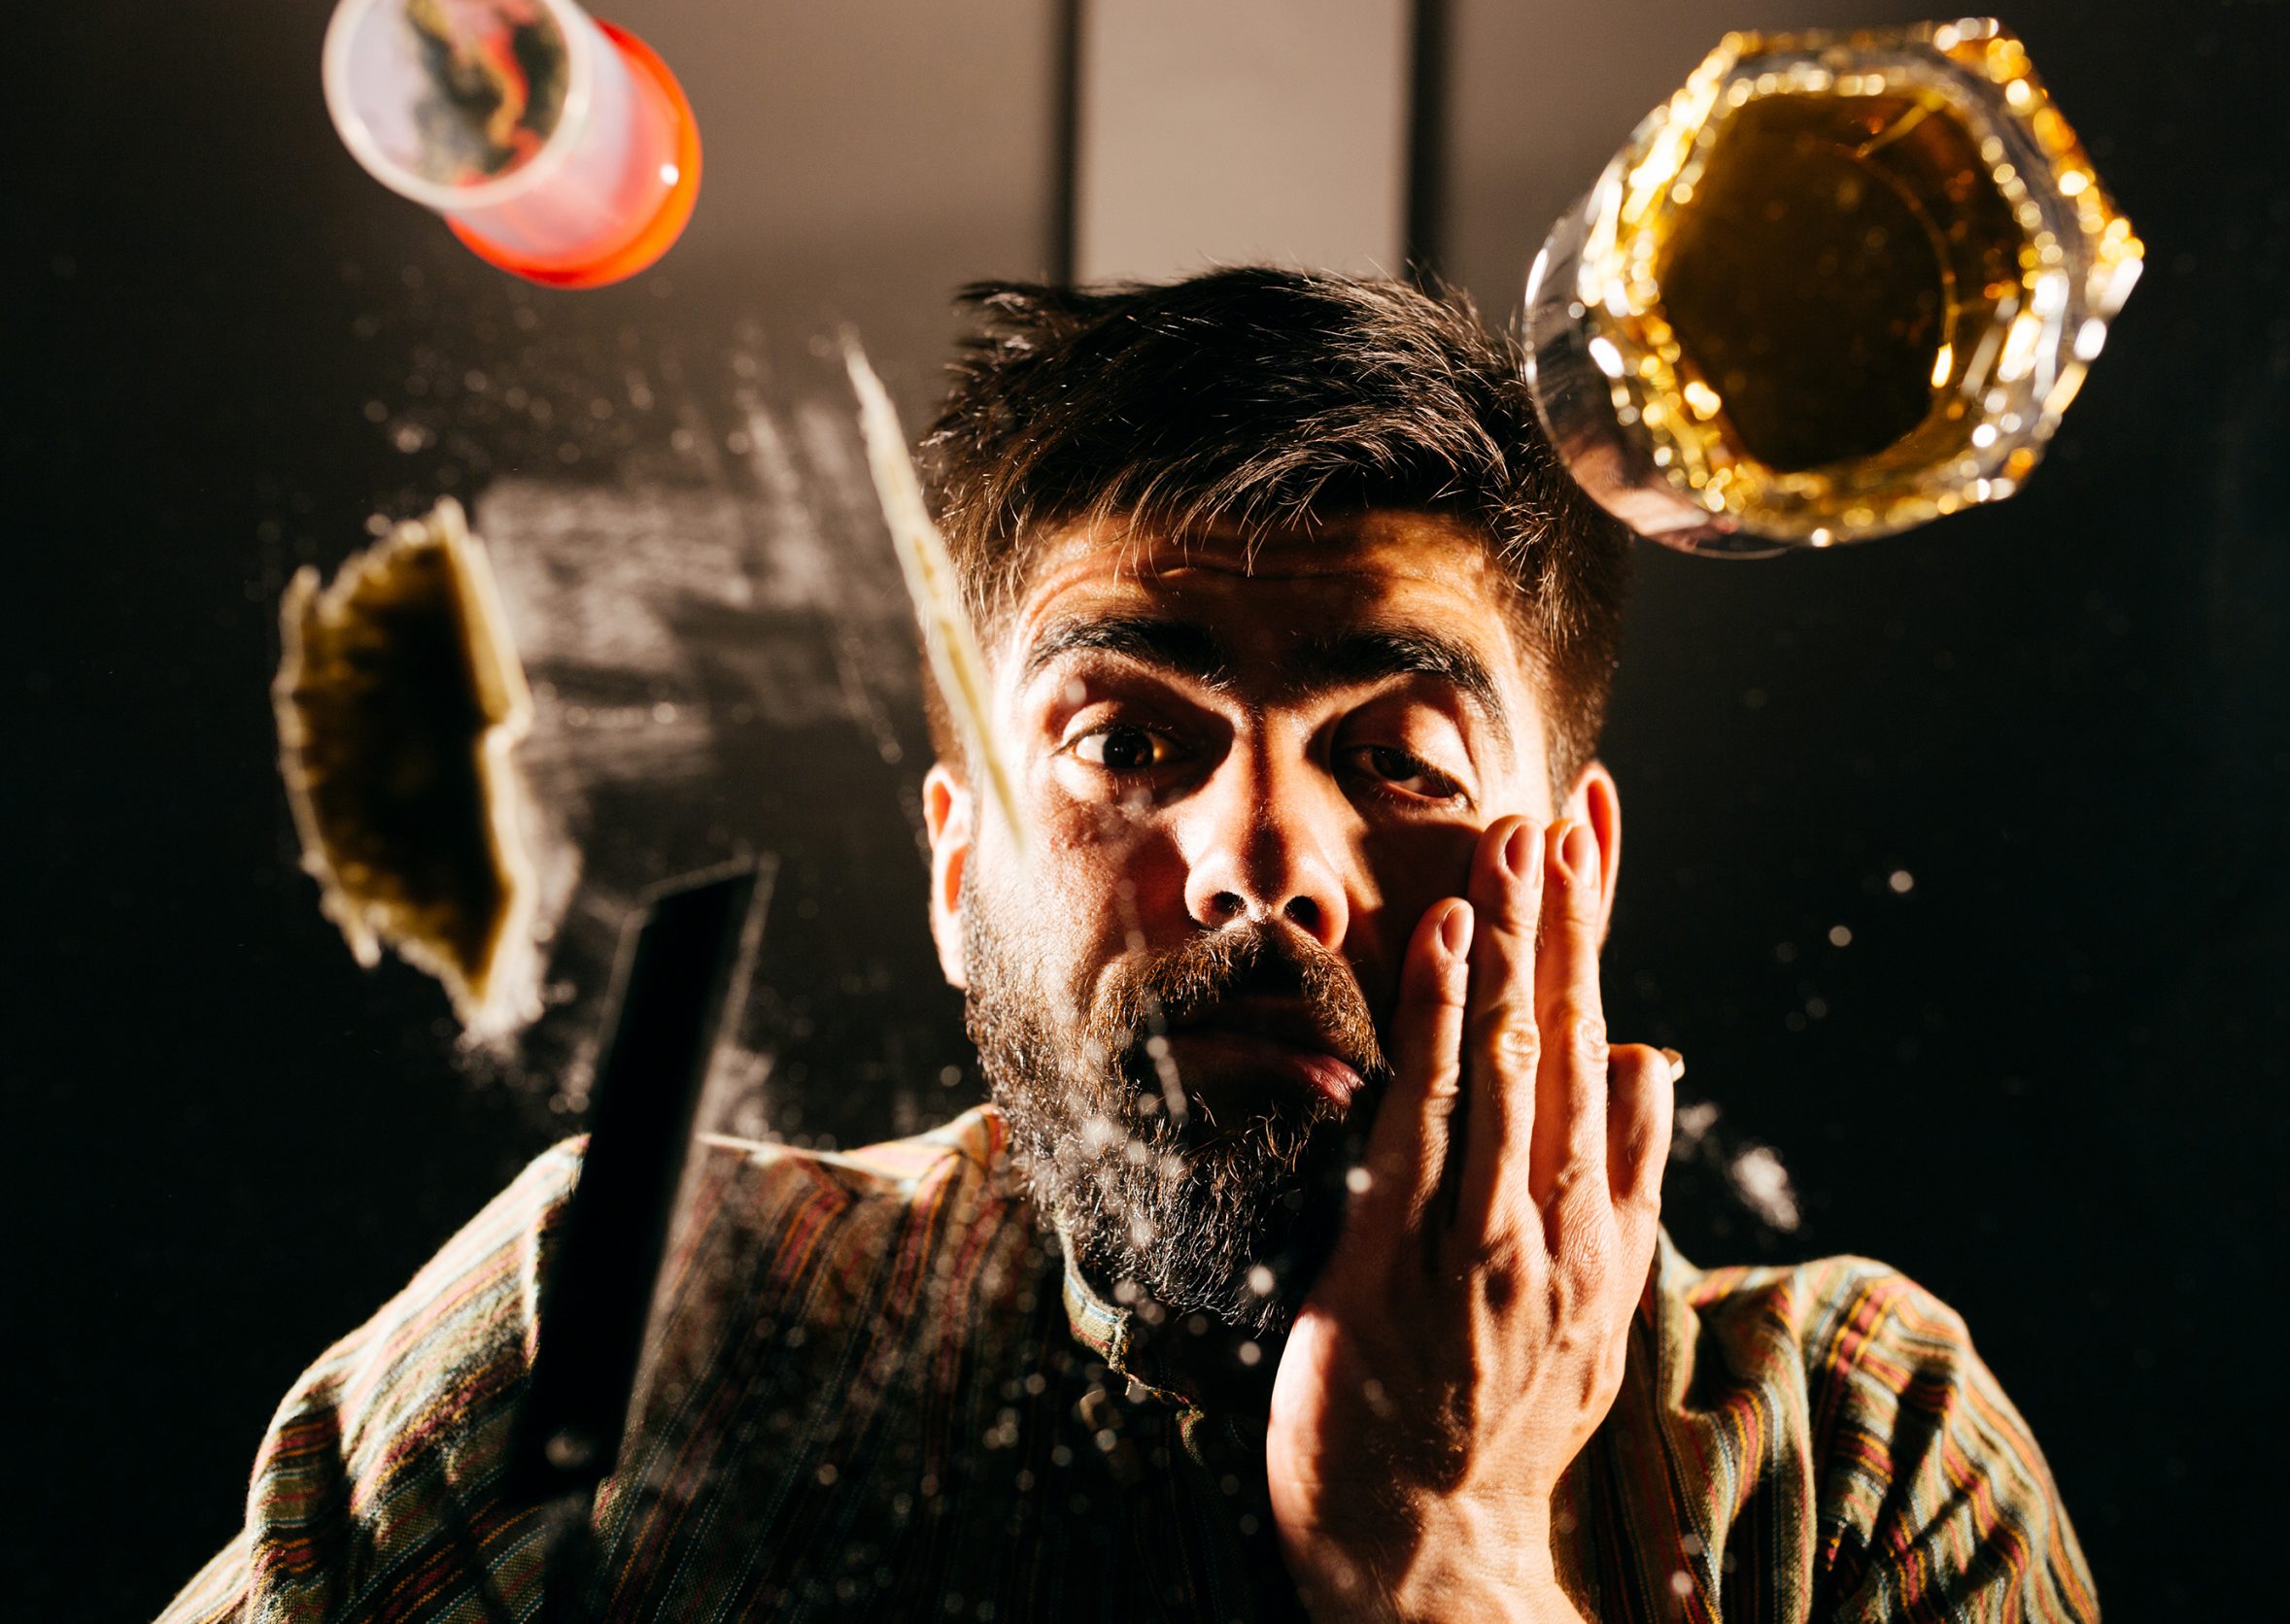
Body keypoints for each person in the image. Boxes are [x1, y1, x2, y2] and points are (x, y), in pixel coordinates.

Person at [162, 269, 2096, 1623]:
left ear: (1570, 859)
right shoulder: (610, 1318)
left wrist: (1450, 1548)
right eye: (1128, 737)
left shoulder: (1856, 1455)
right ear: (951, 863)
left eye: (1398, 755)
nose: (1263, 860)